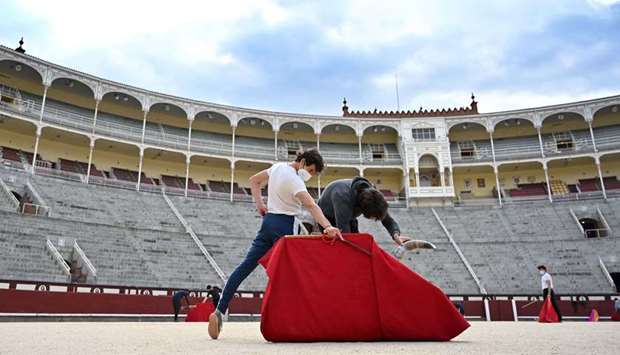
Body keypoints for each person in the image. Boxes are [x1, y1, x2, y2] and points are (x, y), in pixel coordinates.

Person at [208, 149, 342, 339]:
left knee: (245, 267)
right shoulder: (296, 181)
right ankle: (292, 320)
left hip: (268, 222)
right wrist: (328, 226)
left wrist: (260, 205)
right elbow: (312, 206)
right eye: (311, 170)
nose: (310, 175)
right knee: (291, 275)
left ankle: (219, 311)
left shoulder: (277, 167)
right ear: (302, 162)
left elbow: (254, 181)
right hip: (286, 226)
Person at [317, 177, 434, 254]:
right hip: (327, 217)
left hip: (349, 215)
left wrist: (396, 234)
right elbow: (345, 236)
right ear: (363, 210)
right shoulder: (342, 197)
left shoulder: (371, 194)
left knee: (357, 246)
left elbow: (387, 219)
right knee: (342, 249)